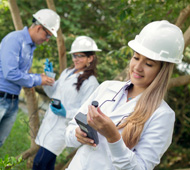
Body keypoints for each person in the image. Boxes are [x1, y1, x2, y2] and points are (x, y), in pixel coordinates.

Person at [65, 20, 185, 170]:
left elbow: (140, 167)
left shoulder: (162, 115)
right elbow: (69, 134)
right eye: (136, 57)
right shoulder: (106, 87)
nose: (138, 67)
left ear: (162, 71)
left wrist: (113, 138)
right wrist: (77, 134)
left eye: (148, 64)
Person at [32, 36, 101, 170]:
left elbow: (87, 112)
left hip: (62, 128)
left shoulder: (91, 83)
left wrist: (66, 112)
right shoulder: (67, 72)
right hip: (50, 122)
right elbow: (53, 93)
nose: (75, 59)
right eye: (74, 56)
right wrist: (50, 77)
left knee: (39, 163)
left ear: (90, 58)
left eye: (80, 56)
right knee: (46, 165)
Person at [0, 9, 60, 147]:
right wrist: (38, 79)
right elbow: (11, 73)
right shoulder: (15, 40)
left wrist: (40, 77)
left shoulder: (30, 47)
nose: (47, 40)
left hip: (12, 101)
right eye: (48, 35)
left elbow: (22, 74)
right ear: (39, 28)